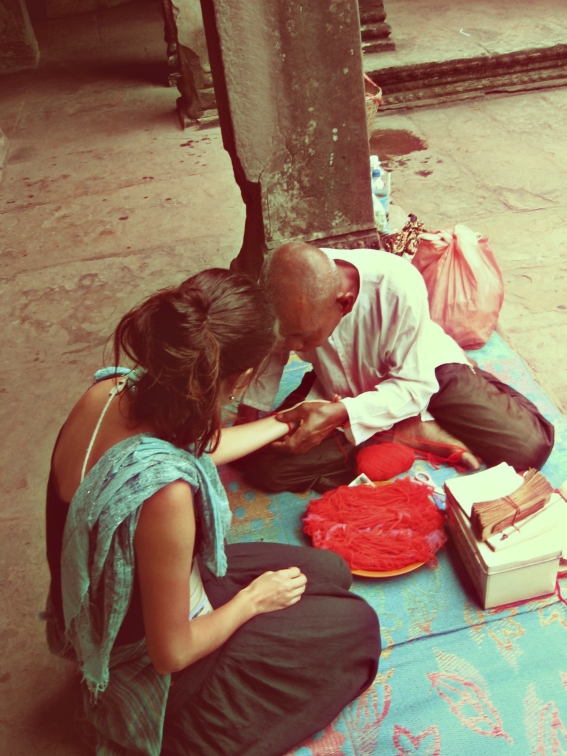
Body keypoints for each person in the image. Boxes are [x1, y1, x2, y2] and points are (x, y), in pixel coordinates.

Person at [44, 269, 380, 756]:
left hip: (137, 592)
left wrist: (280, 424)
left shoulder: (111, 392)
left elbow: (187, 444)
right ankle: (185, 733)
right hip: (152, 659)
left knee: (328, 570)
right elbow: (170, 652)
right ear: (240, 378)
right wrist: (251, 602)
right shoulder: (168, 495)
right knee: (355, 627)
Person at [236, 243, 555, 493]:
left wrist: (346, 415)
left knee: (529, 447)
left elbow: (415, 385)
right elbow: (273, 351)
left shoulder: (396, 283)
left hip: (426, 377)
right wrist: (251, 410)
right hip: (337, 388)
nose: (291, 346)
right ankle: (401, 432)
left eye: (302, 337)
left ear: (344, 303)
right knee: (263, 466)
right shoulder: (286, 287)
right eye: (285, 335)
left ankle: (408, 422)